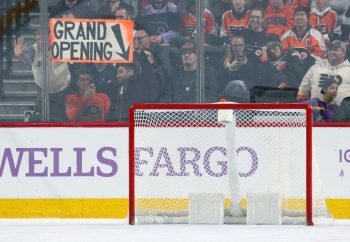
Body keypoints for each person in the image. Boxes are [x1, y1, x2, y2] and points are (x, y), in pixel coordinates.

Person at [13, 32, 72, 121]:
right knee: (43, 116)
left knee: (65, 115)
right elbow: (26, 57)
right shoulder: (33, 50)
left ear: (50, 37)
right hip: (43, 89)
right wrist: (18, 55)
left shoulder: (61, 46)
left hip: (63, 88)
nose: (41, 42)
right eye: (38, 39)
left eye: (43, 38)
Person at [298, 39, 350, 105]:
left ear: (344, 53)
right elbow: (303, 90)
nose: (332, 52)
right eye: (330, 50)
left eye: (336, 50)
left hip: (344, 113)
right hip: (316, 112)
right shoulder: (315, 68)